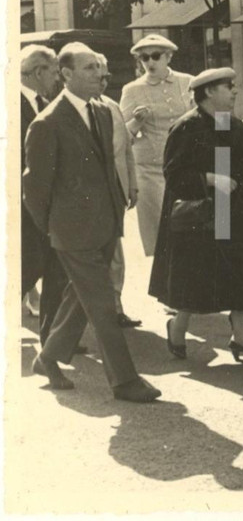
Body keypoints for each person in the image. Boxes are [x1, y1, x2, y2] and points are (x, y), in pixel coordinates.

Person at [23, 42, 161, 402]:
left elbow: (108, 166)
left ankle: (48, 357)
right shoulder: (46, 122)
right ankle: (125, 381)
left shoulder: (101, 111)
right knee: (102, 305)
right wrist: (53, 229)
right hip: (71, 232)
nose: (101, 74)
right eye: (89, 68)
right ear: (65, 75)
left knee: (78, 299)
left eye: (100, 68)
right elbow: (34, 189)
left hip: (105, 225)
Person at [149, 67, 243, 362]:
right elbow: (174, 174)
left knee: (241, 273)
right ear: (209, 93)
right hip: (200, 216)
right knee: (194, 278)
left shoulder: (233, 124)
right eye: (228, 86)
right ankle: (177, 327)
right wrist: (211, 178)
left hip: (234, 212)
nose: (234, 91)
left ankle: (241, 337)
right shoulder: (187, 126)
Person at [119, 34, 194, 257]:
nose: (150, 62)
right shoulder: (132, 90)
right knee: (161, 234)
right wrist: (136, 121)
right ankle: (165, 288)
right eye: (144, 58)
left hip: (185, 165)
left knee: (188, 226)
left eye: (155, 56)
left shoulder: (188, 82)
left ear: (168, 57)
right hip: (151, 170)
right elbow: (120, 134)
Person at [20, 45, 69, 338]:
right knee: (28, 267)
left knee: (53, 267)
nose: (57, 80)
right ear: (39, 72)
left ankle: (54, 339)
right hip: (24, 203)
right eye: (54, 72)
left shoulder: (45, 103)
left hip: (48, 203)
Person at [96, 54, 142, 329]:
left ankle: (115, 306)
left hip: (115, 192)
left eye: (105, 78)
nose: (101, 82)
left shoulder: (112, 106)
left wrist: (132, 185)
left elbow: (126, 150)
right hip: (89, 196)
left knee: (115, 254)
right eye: (96, 76)